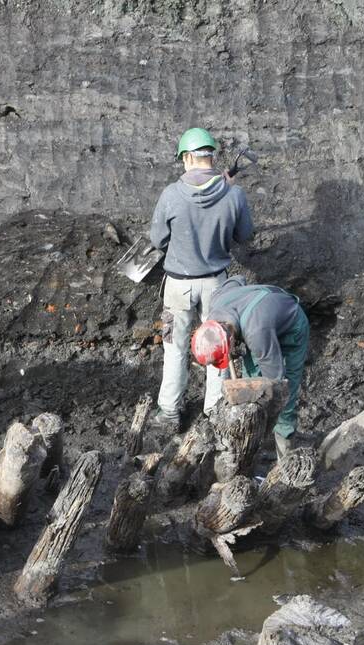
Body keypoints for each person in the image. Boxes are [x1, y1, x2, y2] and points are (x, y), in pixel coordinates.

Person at [148, 128, 253, 431]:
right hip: (216, 286)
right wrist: (228, 198)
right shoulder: (233, 194)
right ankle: (214, 411)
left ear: (189, 157)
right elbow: (244, 236)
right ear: (210, 157)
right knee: (217, 348)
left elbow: (157, 240)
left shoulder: (170, 194)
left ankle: (169, 412)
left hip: (179, 284)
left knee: (176, 348)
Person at [190, 275, 310, 457]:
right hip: (259, 322)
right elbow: (237, 279)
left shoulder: (257, 333)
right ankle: (252, 435)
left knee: (285, 391)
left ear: (229, 338)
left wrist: (270, 411)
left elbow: (276, 382)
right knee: (250, 378)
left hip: (291, 325)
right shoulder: (215, 309)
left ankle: (284, 449)